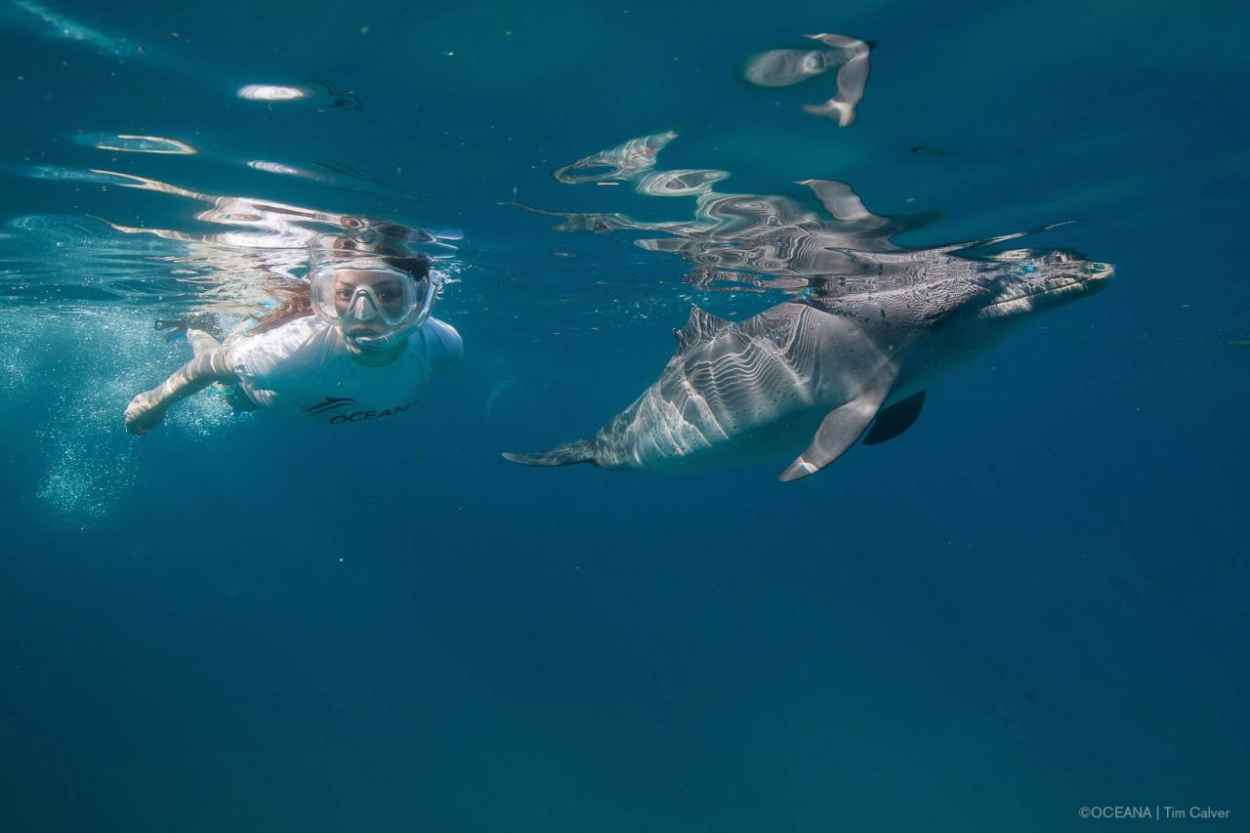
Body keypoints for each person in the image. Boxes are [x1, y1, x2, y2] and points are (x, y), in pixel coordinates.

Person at [124, 251, 462, 434]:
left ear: (419, 299)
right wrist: (154, 402)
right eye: (344, 294)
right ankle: (198, 327)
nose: (362, 315)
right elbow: (209, 367)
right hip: (252, 393)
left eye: (388, 295)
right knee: (227, 386)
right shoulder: (280, 356)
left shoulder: (444, 344)